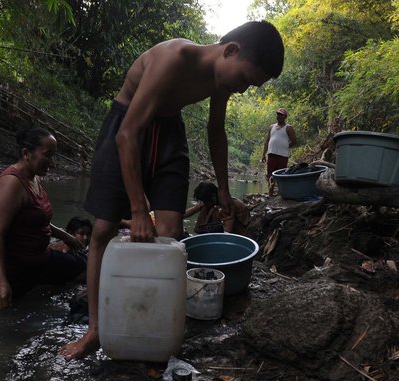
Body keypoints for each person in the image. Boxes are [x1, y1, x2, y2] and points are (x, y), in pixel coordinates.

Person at [59, 21, 284, 360]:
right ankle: (95, 329)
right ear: (231, 50)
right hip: (126, 124)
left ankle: (151, 318)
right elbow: (127, 135)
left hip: (169, 134)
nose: (243, 89)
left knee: (171, 233)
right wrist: (137, 210)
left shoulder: (223, 77)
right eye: (245, 79)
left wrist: (224, 190)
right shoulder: (174, 57)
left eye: (250, 85)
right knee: (103, 229)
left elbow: (216, 130)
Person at [0, 127, 86, 309]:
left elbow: (39, 220)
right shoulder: (11, 184)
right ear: (26, 153)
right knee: (7, 316)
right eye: (47, 155)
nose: (51, 162)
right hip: (13, 267)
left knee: (86, 268)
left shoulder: (35, 177)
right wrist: (1, 282)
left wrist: (66, 236)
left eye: (53, 156)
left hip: (40, 258)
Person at [184, 181, 250, 235]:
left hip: (238, 234)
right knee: (205, 208)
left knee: (210, 210)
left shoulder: (228, 203)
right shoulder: (209, 202)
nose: (204, 203)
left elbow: (227, 231)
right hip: (224, 231)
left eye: (205, 201)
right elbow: (186, 213)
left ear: (213, 196)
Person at [261, 107, 297, 196]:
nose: (278, 116)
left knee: (281, 175)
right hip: (271, 154)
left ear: (285, 117)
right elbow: (267, 141)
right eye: (278, 114)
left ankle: (281, 193)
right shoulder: (271, 127)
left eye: (281, 115)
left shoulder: (288, 128)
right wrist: (263, 155)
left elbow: (294, 141)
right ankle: (270, 193)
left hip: (282, 156)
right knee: (270, 175)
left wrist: (286, 146)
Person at [49, 216, 92, 283]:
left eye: (88, 234)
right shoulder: (63, 251)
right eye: (81, 233)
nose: (85, 238)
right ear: (71, 234)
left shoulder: (85, 251)